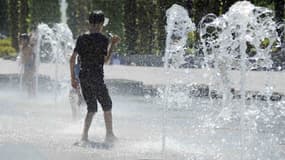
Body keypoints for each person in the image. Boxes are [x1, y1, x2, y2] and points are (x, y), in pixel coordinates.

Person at [69, 10, 120, 143]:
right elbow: (105, 61)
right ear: (102, 24)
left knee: (91, 107)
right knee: (107, 105)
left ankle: (84, 136)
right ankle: (109, 134)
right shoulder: (103, 39)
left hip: (83, 76)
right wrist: (113, 45)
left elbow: (72, 59)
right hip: (97, 77)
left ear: (89, 23)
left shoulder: (81, 38)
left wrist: (73, 79)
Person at [69, 55, 84, 120]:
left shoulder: (76, 67)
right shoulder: (77, 68)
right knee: (73, 95)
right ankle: (76, 115)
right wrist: (79, 94)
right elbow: (77, 82)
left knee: (72, 96)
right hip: (80, 88)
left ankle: (75, 115)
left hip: (82, 89)